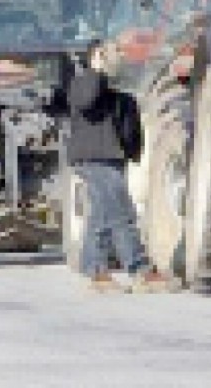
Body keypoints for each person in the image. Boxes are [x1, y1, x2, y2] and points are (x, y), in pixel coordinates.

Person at [67, 40, 177, 293]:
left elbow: (129, 128)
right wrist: (97, 69)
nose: (120, 56)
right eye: (115, 51)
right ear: (98, 55)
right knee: (122, 213)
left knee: (101, 217)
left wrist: (133, 152)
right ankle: (140, 269)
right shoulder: (83, 83)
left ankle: (96, 273)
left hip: (112, 159)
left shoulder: (119, 93)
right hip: (93, 158)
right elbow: (86, 100)